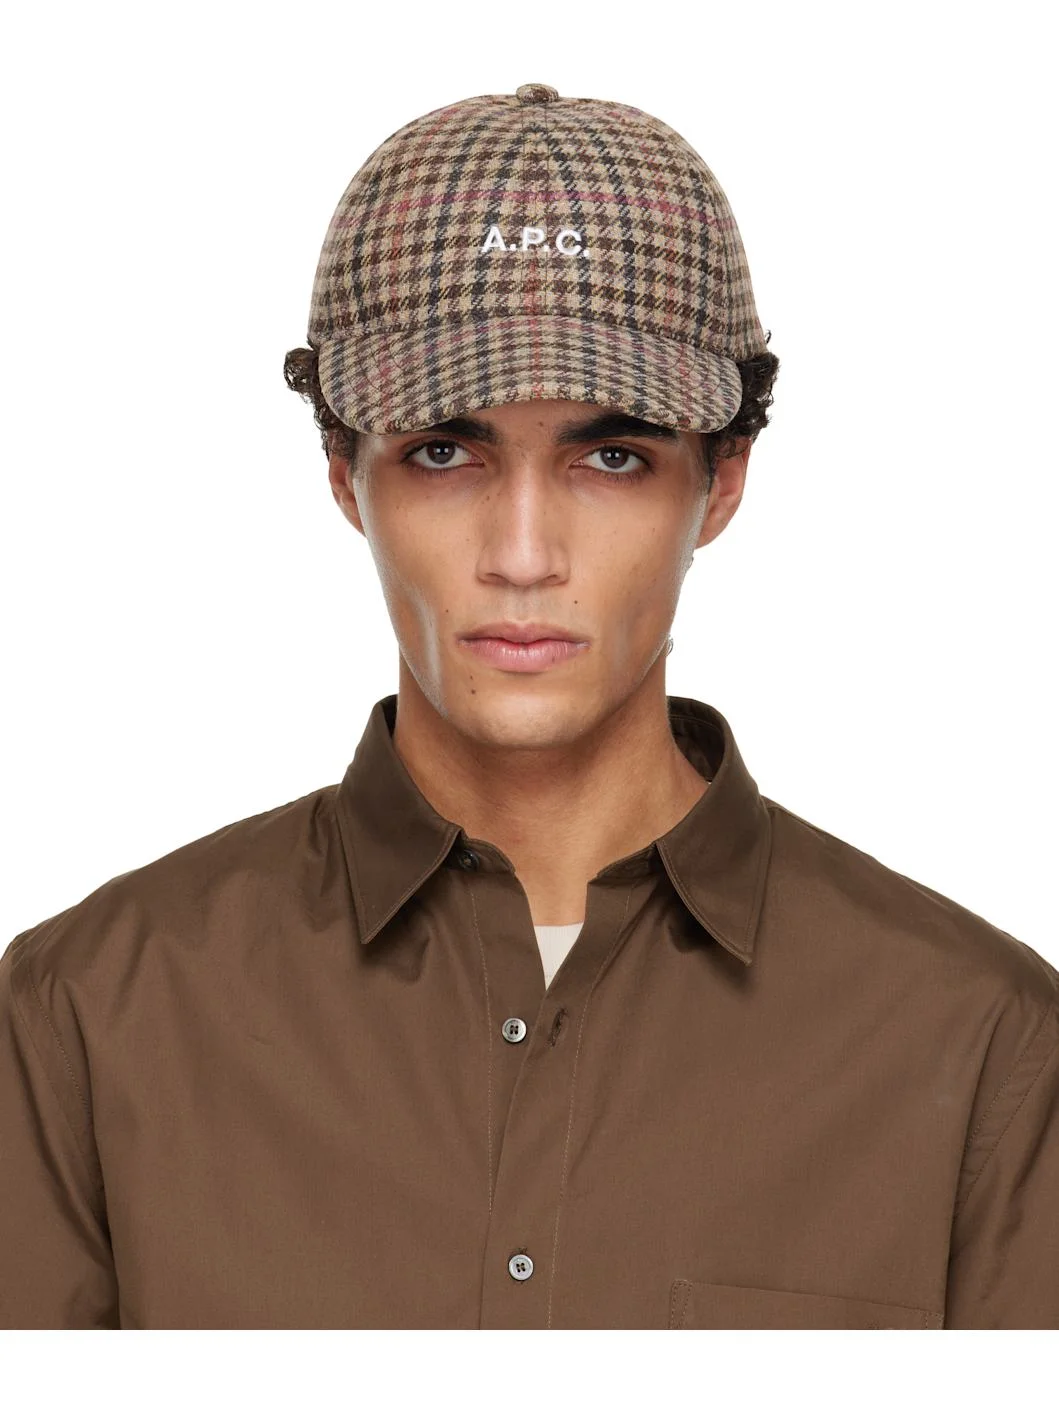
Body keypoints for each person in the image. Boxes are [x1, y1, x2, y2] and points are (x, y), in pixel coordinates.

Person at [2, 81, 1056, 1332]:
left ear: (721, 482)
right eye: (444, 451)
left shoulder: (983, 1043)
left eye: (611, 456)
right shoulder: (83, 1020)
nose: (521, 553)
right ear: (343, 473)